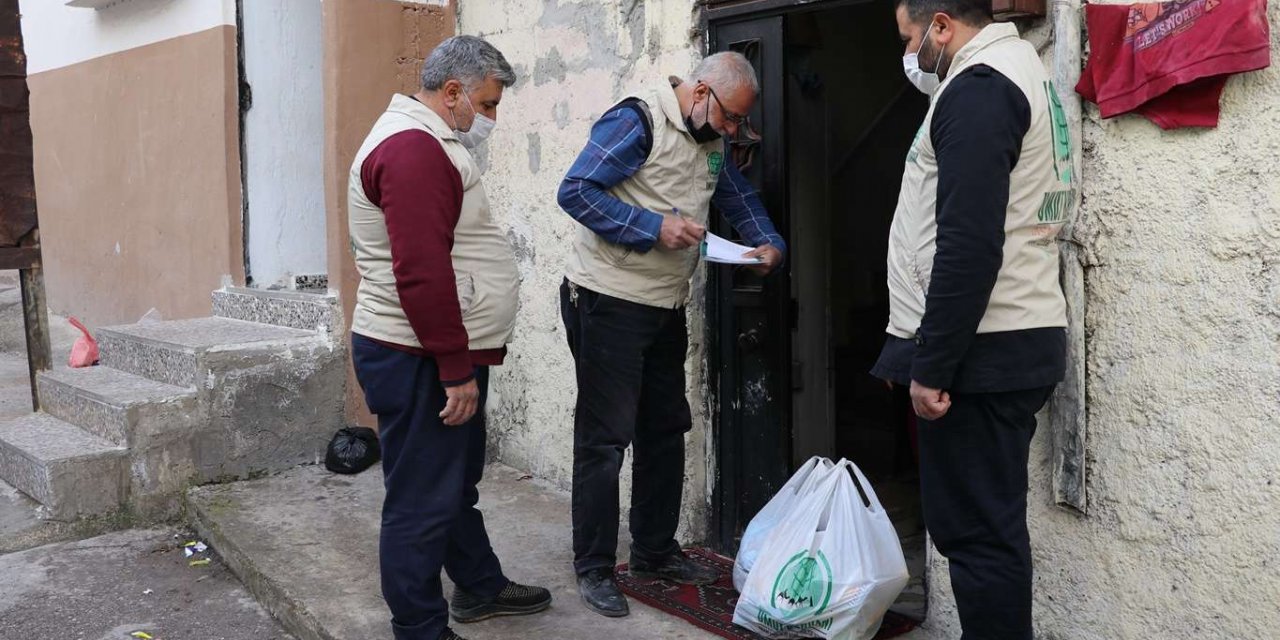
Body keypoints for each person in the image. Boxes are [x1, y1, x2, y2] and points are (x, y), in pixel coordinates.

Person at [556, 51, 787, 618]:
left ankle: (654, 552)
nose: (734, 132)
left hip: (663, 305)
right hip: (607, 301)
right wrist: (654, 226)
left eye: (738, 124)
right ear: (702, 91)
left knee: (663, 428)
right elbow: (576, 191)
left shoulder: (711, 142)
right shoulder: (636, 122)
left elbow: (737, 197)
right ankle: (593, 567)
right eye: (731, 118)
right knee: (605, 439)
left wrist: (768, 242)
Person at [874, 1, 1076, 637]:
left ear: (940, 25)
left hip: (983, 351)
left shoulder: (980, 88)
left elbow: (970, 242)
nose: (908, 55)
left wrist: (932, 364)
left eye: (909, 38)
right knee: (986, 531)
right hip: (1002, 338)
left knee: (978, 540)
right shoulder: (1018, 73)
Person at [347, 35, 552, 640]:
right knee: (420, 500)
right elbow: (421, 270)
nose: (490, 118)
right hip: (418, 356)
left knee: (450, 483)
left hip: (426, 350)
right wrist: (454, 368)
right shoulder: (413, 149)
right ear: (454, 91)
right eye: (487, 104)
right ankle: (420, 629)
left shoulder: (423, 139)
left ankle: (481, 587)